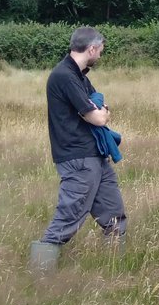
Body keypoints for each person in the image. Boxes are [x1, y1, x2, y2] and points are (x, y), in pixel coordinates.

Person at [30, 27, 127, 273]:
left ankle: (115, 269)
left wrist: (100, 110)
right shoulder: (64, 76)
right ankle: (38, 276)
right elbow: (97, 117)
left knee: (114, 215)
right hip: (78, 158)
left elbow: (98, 105)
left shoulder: (80, 76)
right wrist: (102, 111)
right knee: (68, 218)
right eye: (100, 52)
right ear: (91, 49)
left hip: (94, 156)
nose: (100, 56)